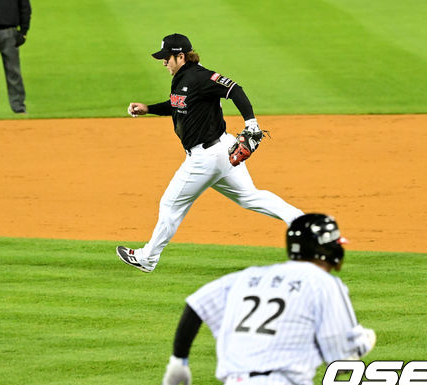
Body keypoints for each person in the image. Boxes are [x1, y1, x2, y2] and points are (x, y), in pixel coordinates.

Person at [116, 33, 303, 273]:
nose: (164, 62)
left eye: (167, 57)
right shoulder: (182, 77)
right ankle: (302, 222)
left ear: (180, 56)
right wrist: (148, 109)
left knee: (171, 204)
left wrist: (251, 124)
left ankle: (147, 258)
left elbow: (235, 89)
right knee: (249, 197)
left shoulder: (201, 76)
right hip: (222, 152)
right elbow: (178, 104)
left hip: (205, 158)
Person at [160, 213, 377, 385]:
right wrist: (366, 340)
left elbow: (197, 304)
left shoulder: (248, 276)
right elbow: (342, 362)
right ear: (329, 250)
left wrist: (179, 360)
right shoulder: (323, 283)